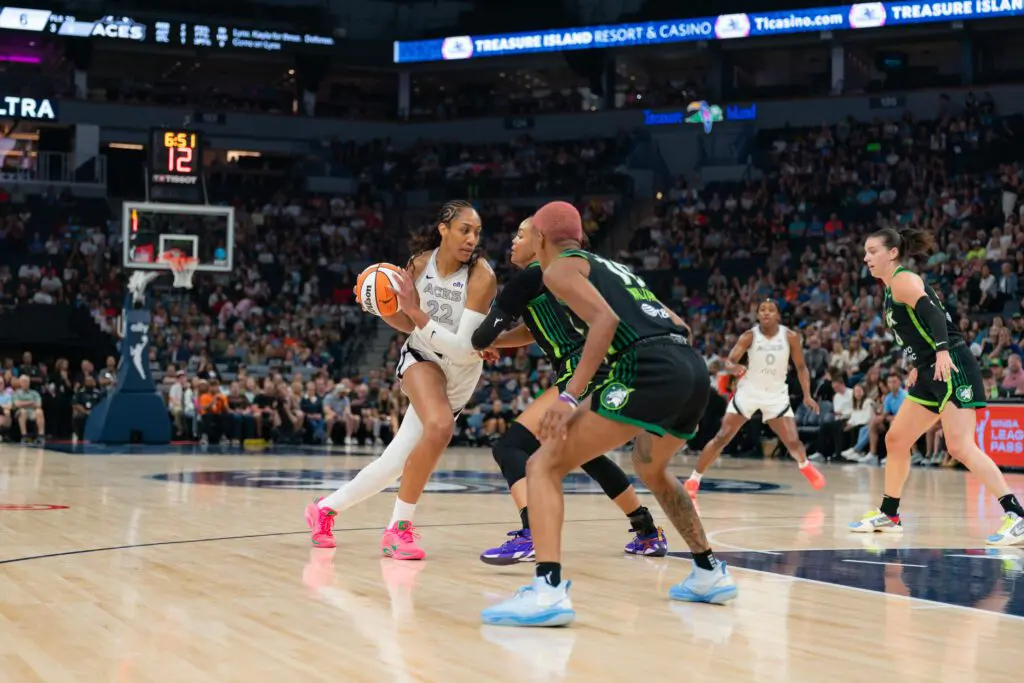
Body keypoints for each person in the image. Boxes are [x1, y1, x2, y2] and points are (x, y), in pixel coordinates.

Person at [481, 201, 736, 628]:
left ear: (541, 238)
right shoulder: (613, 269)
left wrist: (568, 399)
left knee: (541, 464)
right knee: (651, 468)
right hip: (691, 368)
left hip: (646, 367)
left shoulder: (558, 269)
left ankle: (547, 591)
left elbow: (605, 320)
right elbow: (680, 324)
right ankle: (708, 572)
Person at [305, 200, 497, 559]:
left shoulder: (482, 276)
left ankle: (324, 509)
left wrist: (411, 310)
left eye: (477, 232)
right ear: (443, 229)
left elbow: (459, 348)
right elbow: (409, 326)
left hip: (461, 370)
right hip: (422, 358)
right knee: (440, 427)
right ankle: (398, 529)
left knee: (394, 463)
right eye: (464, 230)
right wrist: (383, 309)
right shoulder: (419, 265)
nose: (472, 239)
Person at [470, 217, 668, 565]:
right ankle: (648, 532)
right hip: (607, 367)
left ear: (541, 240)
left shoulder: (530, 277)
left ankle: (533, 532)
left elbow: (479, 336)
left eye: (521, 235)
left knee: (511, 446)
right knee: (586, 454)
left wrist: (480, 341)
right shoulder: (560, 276)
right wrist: (499, 343)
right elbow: (535, 332)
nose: (512, 241)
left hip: (581, 368)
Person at [849, 226, 1024, 545]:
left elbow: (933, 315)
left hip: (951, 364)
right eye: (865, 252)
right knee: (897, 438)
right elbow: (917, 331)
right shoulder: (890, 288)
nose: (866, 257)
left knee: (960, 446)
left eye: (872, 251)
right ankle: (890, 514)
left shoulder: (904, 280)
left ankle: (1017, 515)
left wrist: (942, 352)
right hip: (929, 370)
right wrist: (919, 365)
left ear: (892, 254)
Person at [684, 300, 826, 499]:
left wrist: (807, 395)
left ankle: (805, 465)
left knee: (793, 441)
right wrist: (733, 368)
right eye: (762, 310)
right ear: (758, 315)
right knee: (722, 437)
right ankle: (694, 478)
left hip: (776, 394)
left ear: (778, 315)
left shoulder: (791, 337)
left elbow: (801, 367)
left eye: (771, 310)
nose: (766, 313)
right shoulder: (749, 336)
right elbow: (730, 361)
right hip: (749, 392)